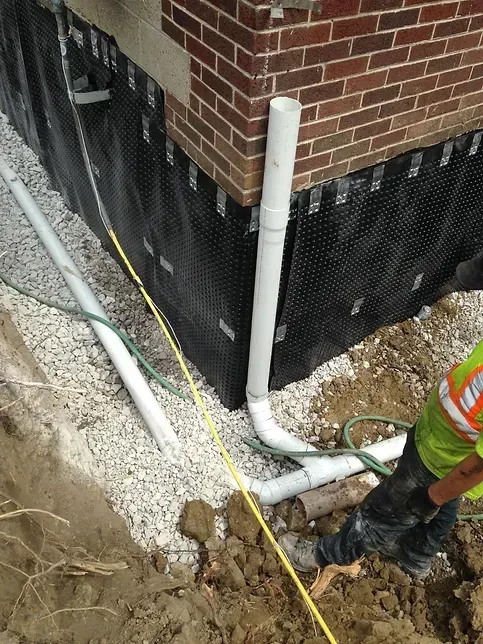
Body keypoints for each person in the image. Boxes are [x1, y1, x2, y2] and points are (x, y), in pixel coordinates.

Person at [279, 254, 483, 580]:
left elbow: (478, 466)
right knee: (443, 500)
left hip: (441, 458)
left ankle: (330, 556)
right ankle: (415, 556)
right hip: (439, 439)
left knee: (385, 510)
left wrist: (431, 496)